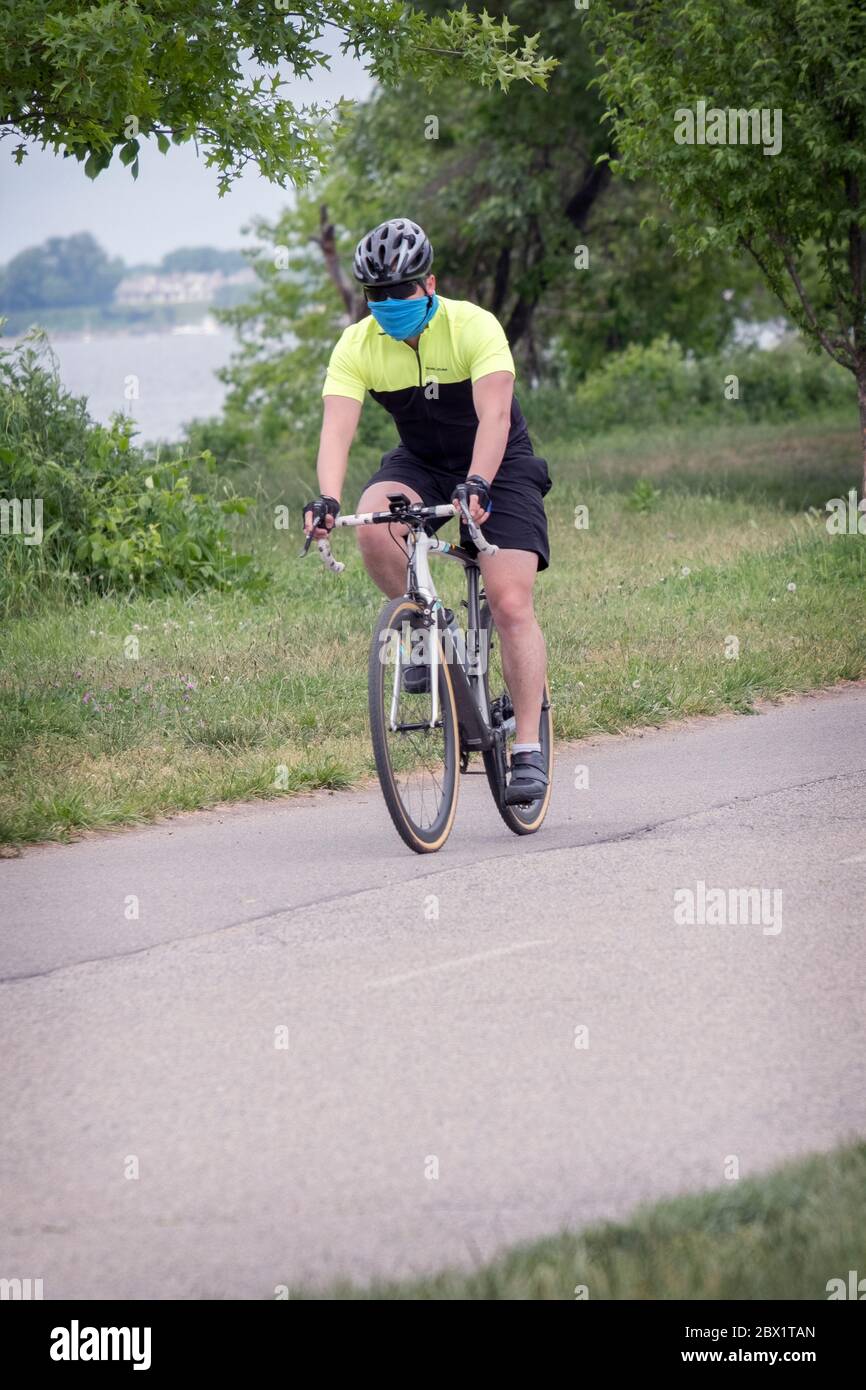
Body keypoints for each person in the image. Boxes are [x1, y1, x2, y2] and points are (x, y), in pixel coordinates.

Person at [303, 217, 552, 804]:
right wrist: (326, 498)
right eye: (377, 295)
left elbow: (494, 417)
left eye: (401, 291)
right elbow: (336, 430)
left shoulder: (474, 326)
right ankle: (423, 636)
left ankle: (527, 750)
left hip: (498, 462)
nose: (389, 303)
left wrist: (479, 483)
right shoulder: (358, 344)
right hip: (422, 459)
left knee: (510, 600)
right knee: (374, 523)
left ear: (430, 284)